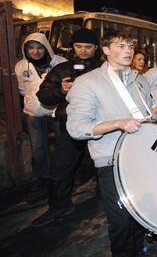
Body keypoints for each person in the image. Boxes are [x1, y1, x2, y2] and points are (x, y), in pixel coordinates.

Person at [66, 30, 157, 256]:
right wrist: (118, 123)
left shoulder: (139, 79)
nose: (127, 51)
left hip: (143, 155)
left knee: (141, 215)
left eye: (129, 46)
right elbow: (77, 128)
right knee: (122, 221)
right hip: (112, 160)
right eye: (120, 46)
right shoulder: (88, 82)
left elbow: (150, 109)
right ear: (105, 50)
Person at [31, 28, 102, 227]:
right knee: (61, 167)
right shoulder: (63, 69)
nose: (83, 51)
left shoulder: (105, 69)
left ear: (96, 48)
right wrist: (60, 90)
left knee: (105, 165)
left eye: (88, 47)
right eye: (79, 46)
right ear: (73, 47)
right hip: (72, 125)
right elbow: (43, 95)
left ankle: (106, 198)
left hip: (100, 125)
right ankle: (59, 207)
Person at [15, 33, 66, 188]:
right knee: (38, 148)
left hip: (55, 112)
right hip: (34, 114)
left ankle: (63, 175)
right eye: (31, 48)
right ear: (25, 49)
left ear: (46, 48)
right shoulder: (20, 66)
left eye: (39, 47)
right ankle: (43, 177)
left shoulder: (60, 62)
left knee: (62, 145)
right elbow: (22, 89)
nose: (35, 51)